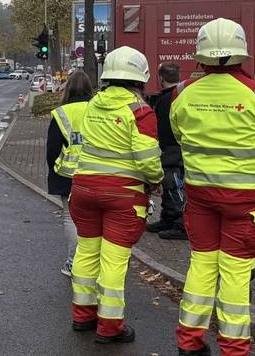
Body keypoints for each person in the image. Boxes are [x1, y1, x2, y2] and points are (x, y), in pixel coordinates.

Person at [171, 18, 255, 356]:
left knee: (202, 266)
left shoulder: (181, 93)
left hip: (200, 196)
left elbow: (180, 137)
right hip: (247, 202)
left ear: (200, 55)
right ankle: (234, 349)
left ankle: (188, 343)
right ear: (242, 54)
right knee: (236, 275)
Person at [68, 46, 162, 345]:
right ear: (140, 79)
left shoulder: (94, 104)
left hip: (83, 190)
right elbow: (147, 159)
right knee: (113, 261)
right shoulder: (141, 111)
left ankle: (83, 315)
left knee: (86, 252)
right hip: (122, 196)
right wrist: (157, 180)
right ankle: (110, 327)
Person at [45, 69, 95, 276]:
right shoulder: (99, 109)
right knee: (94, 219)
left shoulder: (62, 113)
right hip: (98, 172)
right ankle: (93, 262)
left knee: (71, 218)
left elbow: (52, 149)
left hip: (68, 176)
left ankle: (72, 262)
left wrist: (54, 169)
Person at [144, 62, 187, 240]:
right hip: (178, 145)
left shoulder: (164, 100)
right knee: (170, 182)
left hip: (170, 147)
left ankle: (180, 223)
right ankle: (168, 218)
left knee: (172, 184)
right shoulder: (182, 97)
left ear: (160, 78)